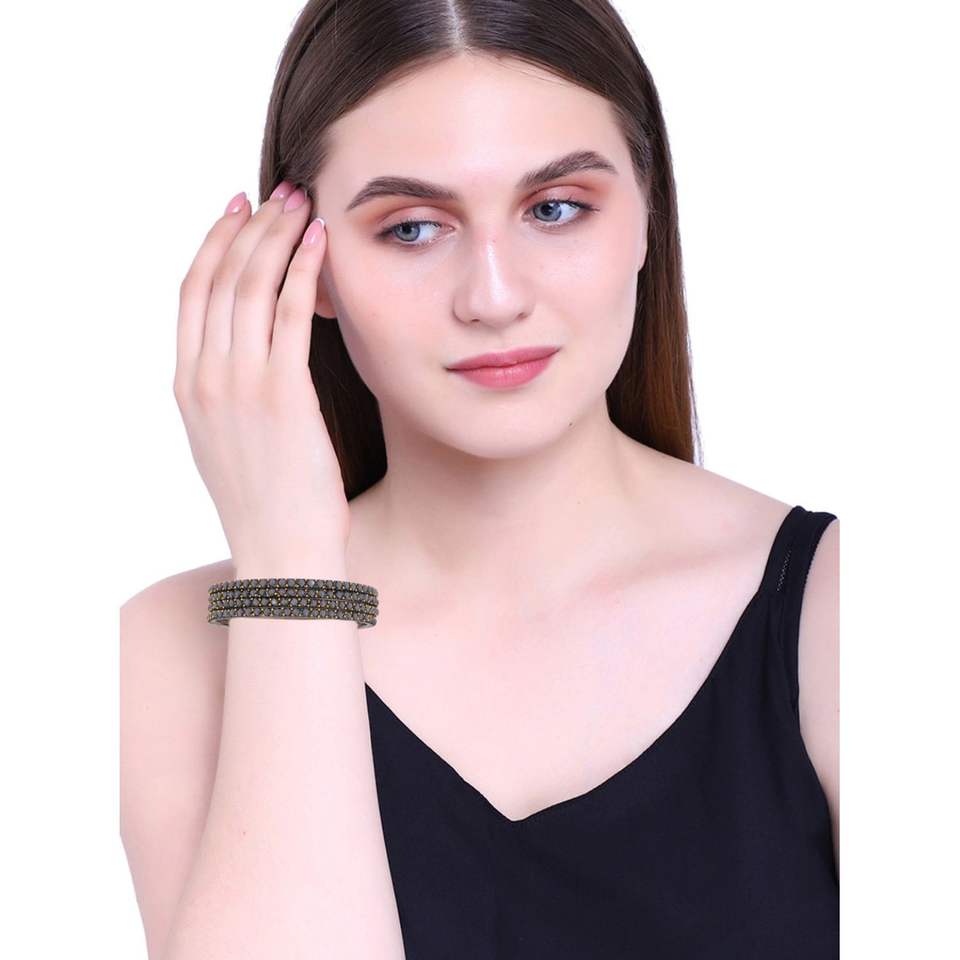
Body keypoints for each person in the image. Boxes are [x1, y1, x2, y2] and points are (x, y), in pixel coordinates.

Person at [120, 2, 840, 957]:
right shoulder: (169, 651)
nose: (494, 298)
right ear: (304, 265)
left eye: (555, 209)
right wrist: (290, 563)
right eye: (413, 228)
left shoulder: (845, 608)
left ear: (647, 217)